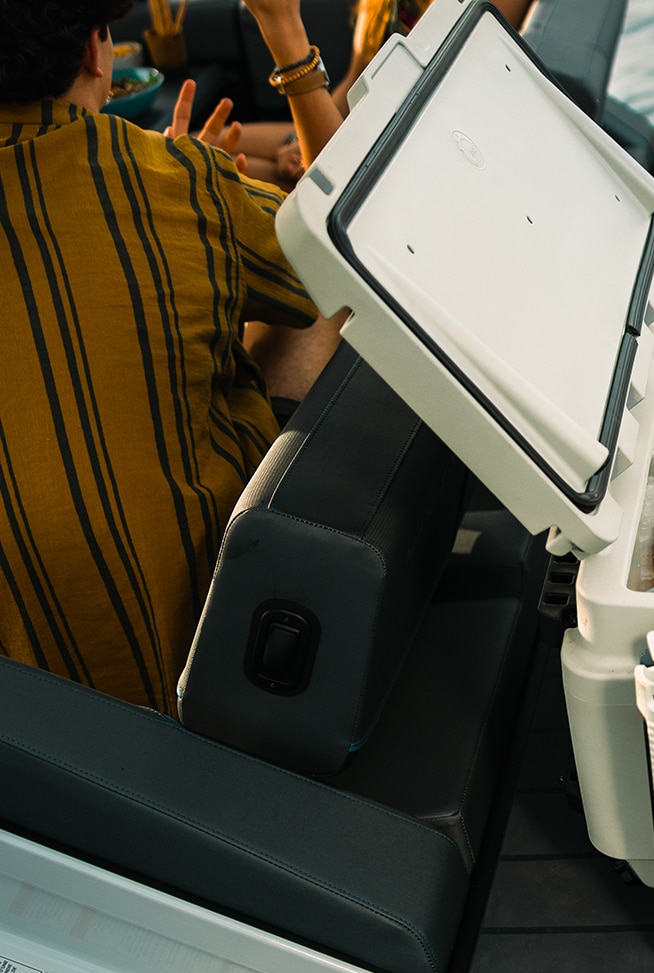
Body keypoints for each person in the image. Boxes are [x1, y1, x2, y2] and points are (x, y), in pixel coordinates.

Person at [0, 0, 347, 715]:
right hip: (206, 673)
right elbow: (345, 256)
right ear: (98, 56)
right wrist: (195, 198)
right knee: (304, 320)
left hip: (34, 733)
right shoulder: (172, 179)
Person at [232, 0, 534, 189]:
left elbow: (430, 132)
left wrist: (282, 26)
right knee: (206, 144)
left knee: (231, 173)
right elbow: (354, 84)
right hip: (358, 135)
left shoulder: (479, 7)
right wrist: (299, 143)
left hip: (407, 170)